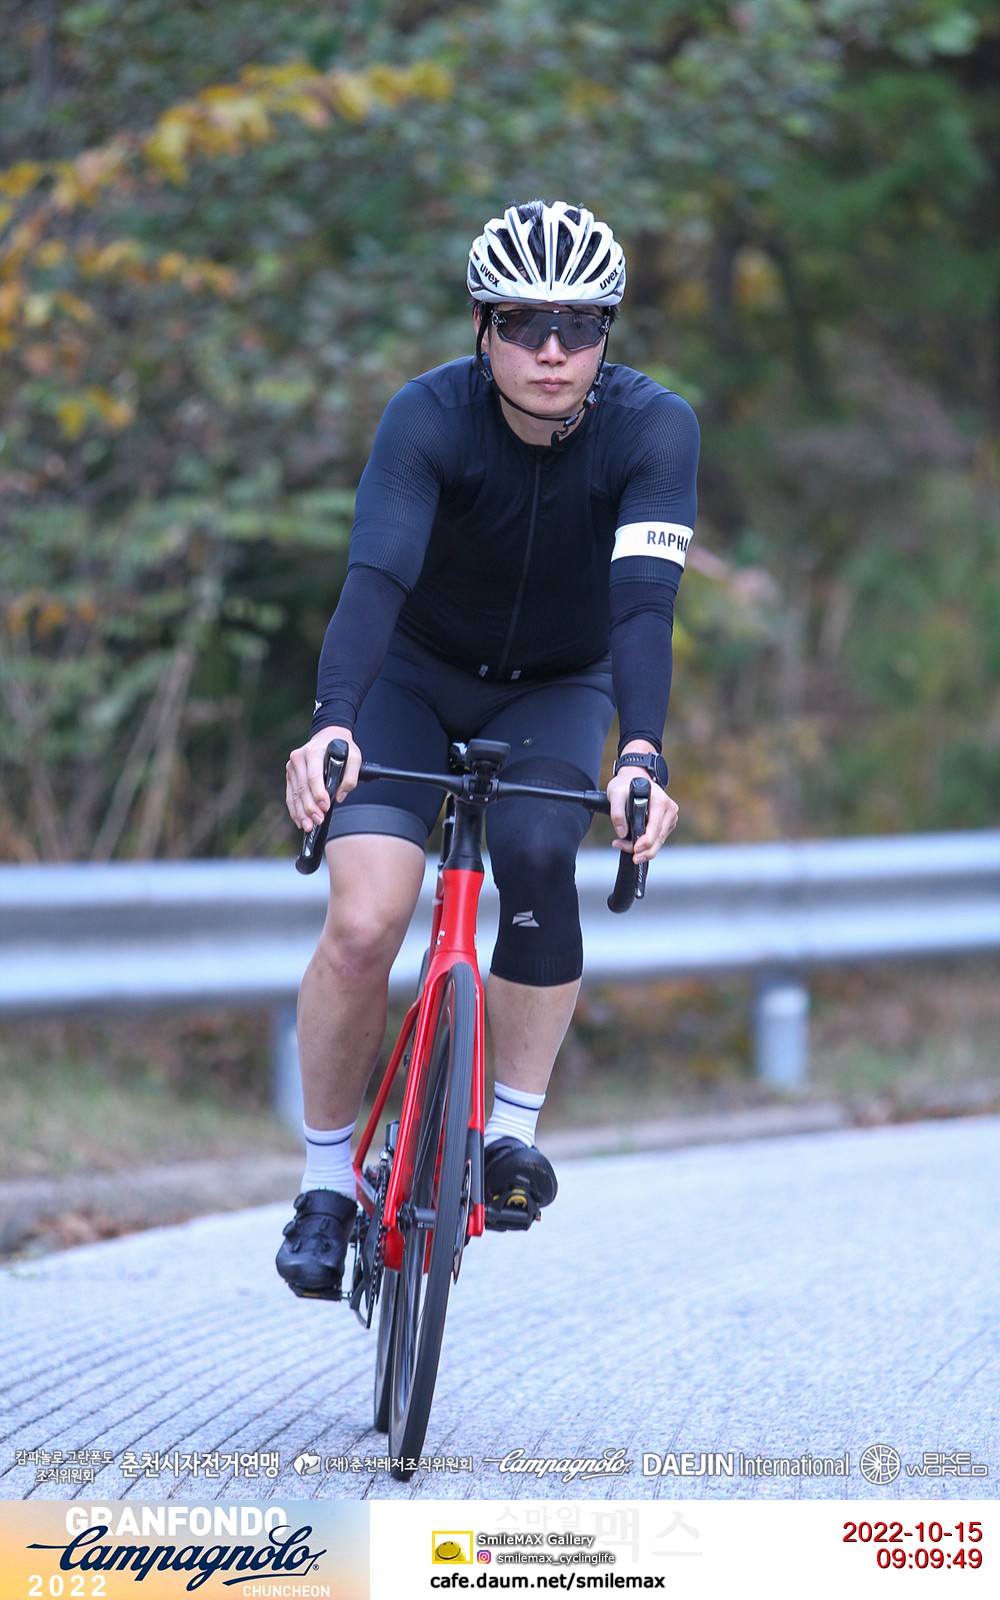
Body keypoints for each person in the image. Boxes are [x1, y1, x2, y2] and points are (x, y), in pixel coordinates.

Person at [278, 200, 699, 1299]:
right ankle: (325, 1186)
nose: (552, 350)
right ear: (481, 326)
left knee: (539, 852)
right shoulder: (427, 417)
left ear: (607, 334)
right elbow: (376, 578)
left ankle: (509, 1130)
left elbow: (643, 608)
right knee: (365, 919)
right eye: (523, 323)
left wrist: (641, 752)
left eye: (580, 325)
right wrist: (332, 719)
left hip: (558, 685)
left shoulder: (654, 429)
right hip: (411, 678)